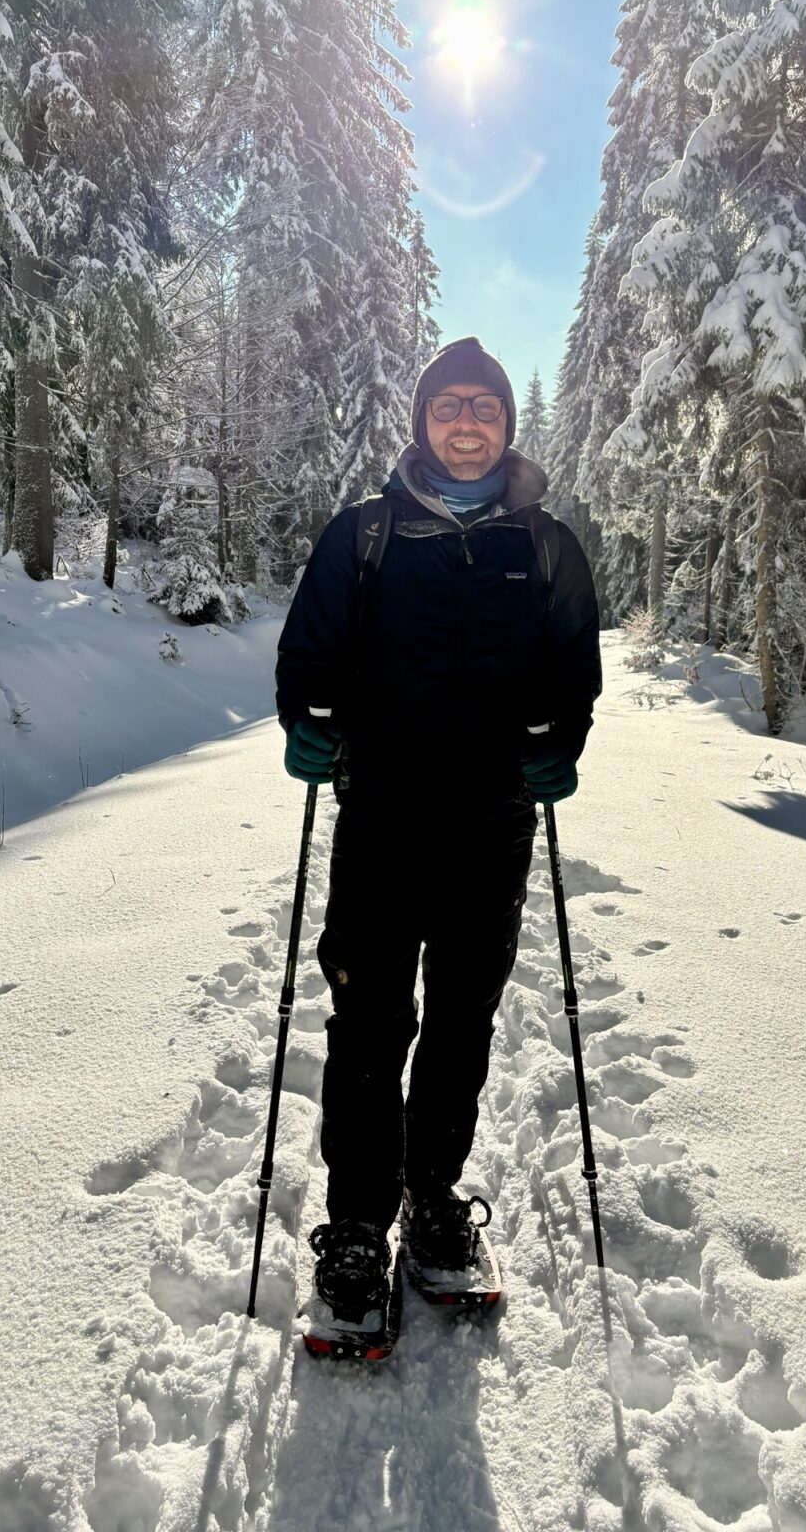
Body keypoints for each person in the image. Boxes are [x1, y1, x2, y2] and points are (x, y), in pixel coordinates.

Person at [275, 336, 601, 1321]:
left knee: (461, 1024)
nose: (467, 421)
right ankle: (359, 1224)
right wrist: (307, 724)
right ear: (422, 421)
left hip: (492, 830)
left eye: (485, 408)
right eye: (449, 405)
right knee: (369, 1024)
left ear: (507, 426)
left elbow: (571, 675)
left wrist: (561, 745)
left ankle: (431, 1204)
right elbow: (310, 653)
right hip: (378, 820)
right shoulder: (363, 536)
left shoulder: (547, 546)